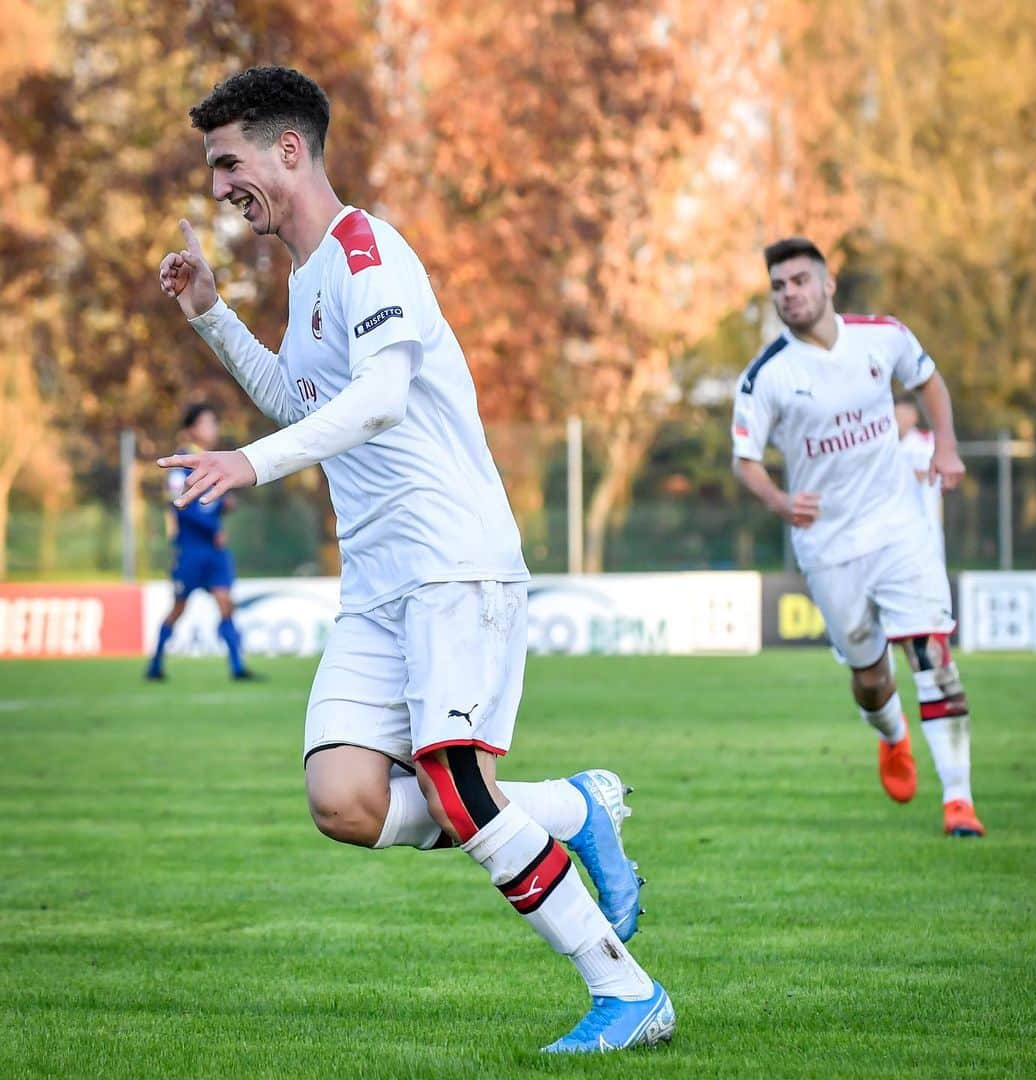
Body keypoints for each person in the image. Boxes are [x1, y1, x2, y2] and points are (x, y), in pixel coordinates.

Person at [155, 67, 672, 1054]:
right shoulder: (306, 279)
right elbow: (307, 405)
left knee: (457, 783)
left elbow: (384, 396)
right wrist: (213, 318)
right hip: (380, 582)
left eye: (229, 163)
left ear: (290, 150)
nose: (220, 187)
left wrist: (247, 466)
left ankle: (628, 991)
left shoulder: (368, 253)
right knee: (343, 800)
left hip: (451, 556)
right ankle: (578, 806)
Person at [732, 237, 984, 838]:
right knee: (870, 676)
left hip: (900, 528)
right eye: (778, 286)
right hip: (828, 545)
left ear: (827, 284)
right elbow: (745, 458)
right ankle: (893, 735)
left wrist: (946, 444)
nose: (788, 293)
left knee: (931, 652)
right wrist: (779, 499)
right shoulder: (766, 375)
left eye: (798, 281)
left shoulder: (883, 336)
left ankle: (958, 801)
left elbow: (930, 383)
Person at [146, 402, 256, 681]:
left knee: (225, 601)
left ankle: (237, 667)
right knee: (179, 607)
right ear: (191, 429)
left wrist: (224, 505)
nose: (214, 428)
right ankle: (155, 664)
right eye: (208, 422)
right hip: (191, 550)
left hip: (214, 552)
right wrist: (212, 529)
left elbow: (210, 504)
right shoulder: (180, 465)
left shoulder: (214, 462)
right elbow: (180, 506)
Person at [895, 395, 945, 559]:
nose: (897, 421)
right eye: (895, 416)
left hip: (925, 530)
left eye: (901, 416)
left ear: (914, 416)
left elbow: (920, 474)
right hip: (895, 531)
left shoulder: (926, 441)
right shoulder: (887, 446)